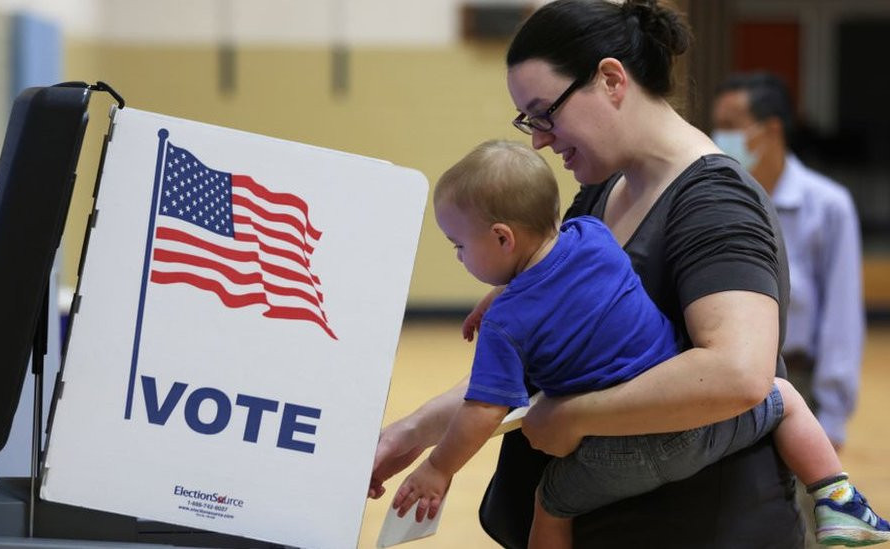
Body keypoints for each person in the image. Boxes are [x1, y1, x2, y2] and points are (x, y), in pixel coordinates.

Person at [368, 1, 803, 546]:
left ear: (610, 80)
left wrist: (575, 417)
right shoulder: (600, 193)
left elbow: (739, 373)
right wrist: (410, 435)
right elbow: (522, 365)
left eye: (544, 112)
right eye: (528, 121)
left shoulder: (714, 202)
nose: (539, 140)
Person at [388, 139, 889, 548]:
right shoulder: (592, 235)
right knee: (785, 398)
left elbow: (483, 409)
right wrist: (500, 292)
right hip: (696, 417)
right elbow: (552, 270)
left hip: (621, 448)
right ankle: (838, 498)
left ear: (502, 238)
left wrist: (437, 468)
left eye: (458, 244)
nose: (457, 256)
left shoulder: (507, 327)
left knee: (552, 500)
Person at [711, 70, 868, 549]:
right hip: (726, 382)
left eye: (731, 125)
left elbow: (842, 316)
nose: (722, 138)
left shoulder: (827, 205)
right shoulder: (716, 197)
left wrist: (834, 414)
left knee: (804, 521)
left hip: (799, 384)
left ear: (771, 130)